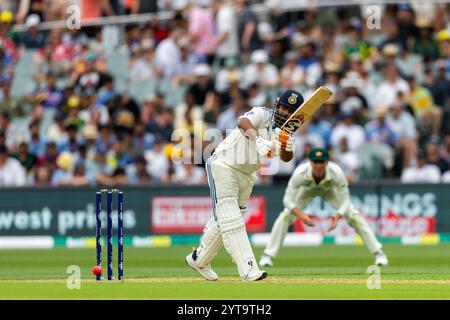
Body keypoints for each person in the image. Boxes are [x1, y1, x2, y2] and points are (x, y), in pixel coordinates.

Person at [185, 89, 302, 281]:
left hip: (247, 175)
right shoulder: (263, 114)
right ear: (277, 105)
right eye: (283, 108)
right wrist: (258, 141)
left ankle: (199, 259)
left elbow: (287, 158)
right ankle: (249, 270)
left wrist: (287, 147)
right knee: (231, 220)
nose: (284, 113)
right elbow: (242, 122)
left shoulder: (289, 131)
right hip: (224, 165)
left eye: (290, 111)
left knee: (226, 221)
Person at [259, 148, 389, 268]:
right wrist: (301, 216)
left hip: (329, 190)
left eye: (322, 162)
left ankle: (379, 253)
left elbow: (346, 201)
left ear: (327, 162)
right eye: (316, 162)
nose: (319, 165)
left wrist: (338, 216)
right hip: (307, 190)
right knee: (286, 216)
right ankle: (267, 256)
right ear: (310, 162)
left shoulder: (336, 172)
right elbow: (287, 200)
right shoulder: (300, 172)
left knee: (353, 215)